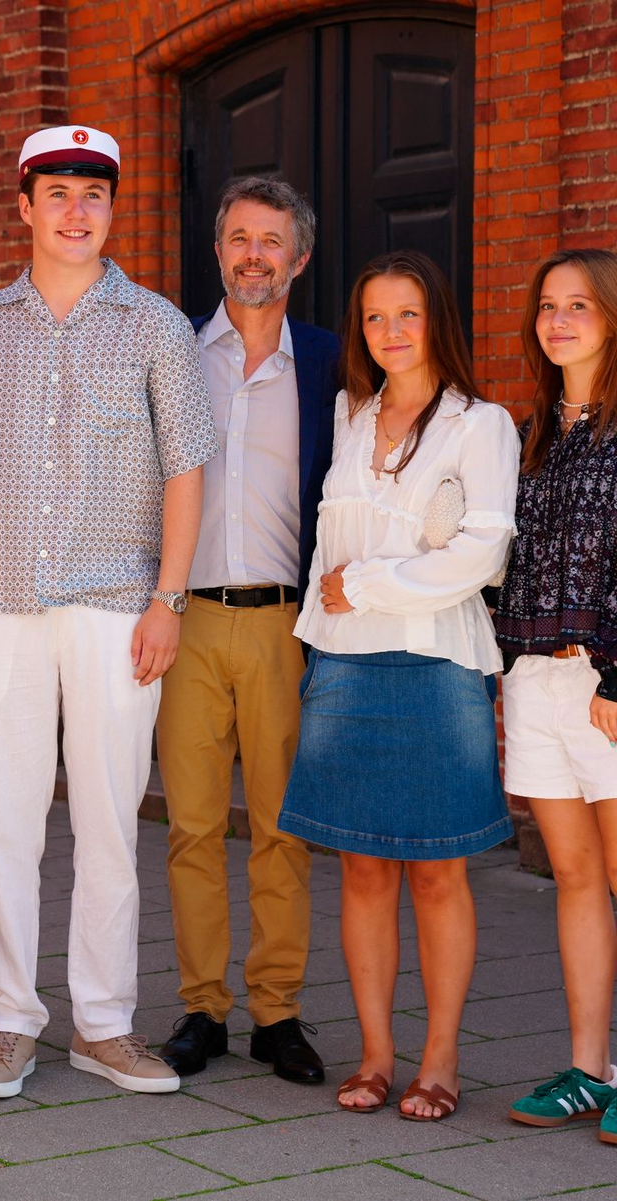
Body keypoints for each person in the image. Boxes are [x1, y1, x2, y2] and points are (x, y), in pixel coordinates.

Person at [0, 125, 220, 1099]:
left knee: (109, 820)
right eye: (57, 192)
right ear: (23, 206)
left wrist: (168, 600)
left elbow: (188, 466)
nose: (76, 211)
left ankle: (103, 1025)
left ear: (113, 209)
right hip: (1, 600)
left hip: (119, 605)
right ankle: (9, 1022)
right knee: (4, 826)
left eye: (94, 195)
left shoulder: (155, 326)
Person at [277, 250, 519, 1121]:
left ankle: (441, 1058)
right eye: (375, 317)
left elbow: (481, 553)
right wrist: (334, 614)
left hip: (436, 667)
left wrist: (368, 584)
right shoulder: (351, 414)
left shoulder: (479, 425)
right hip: (343, 667)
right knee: (364, 870)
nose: (390, 332)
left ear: (437, 320)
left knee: (438, 875)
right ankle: (377, 1053)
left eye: (407, 315)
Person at [156, 177, 339, 1085]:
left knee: (281, 827)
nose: (253, 254)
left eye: (273, 240)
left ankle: (278, 1011)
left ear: (298, 258)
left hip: (282, 625)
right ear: (217, 250)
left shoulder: (333, 362)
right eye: (239, 238)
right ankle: (202, 1008)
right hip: (186, 622)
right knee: (191, 824)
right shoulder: (174, 352)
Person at [492, 249, 617, 1138]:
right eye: (548, 305)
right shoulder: (534, 429)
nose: (560, 319)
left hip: (606, 676)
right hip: (535, 675)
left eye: (580, 305)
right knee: (575, 875)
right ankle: (588, 1068)